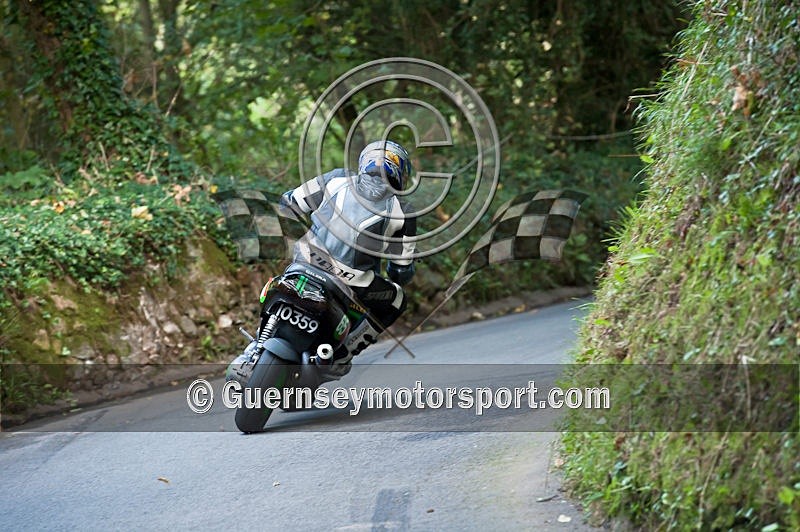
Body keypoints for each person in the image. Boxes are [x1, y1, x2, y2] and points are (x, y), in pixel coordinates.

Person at [279, 140, 417, 378]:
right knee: (397, 299)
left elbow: (290, 203)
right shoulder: (403, 210)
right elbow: (400, 272)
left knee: (284, 278)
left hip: (307, 257)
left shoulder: (336, 178)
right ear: (401, 172)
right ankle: (344, 352)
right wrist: (402, 269)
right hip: (352, 280)